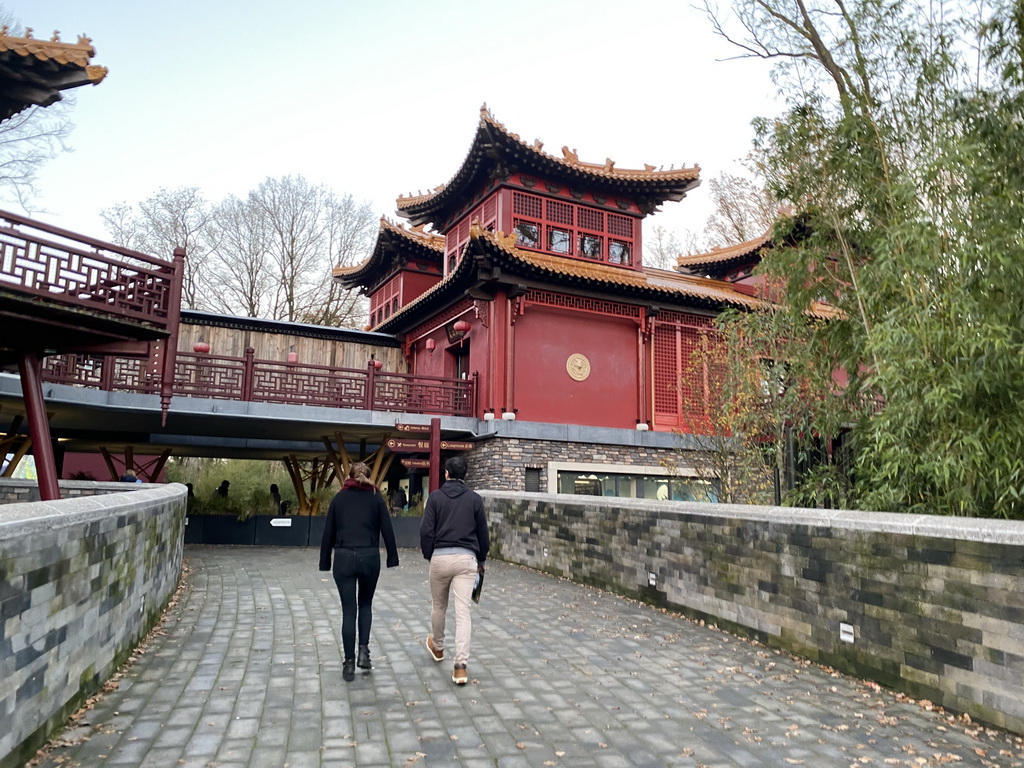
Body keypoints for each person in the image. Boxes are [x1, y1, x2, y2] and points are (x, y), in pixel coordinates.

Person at [319, 462, 399, 682]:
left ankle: (348, 664)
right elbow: (387, 529)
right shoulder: (375, 497)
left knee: (348, 611)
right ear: (369, 476)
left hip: (344, 558)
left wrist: (325, 561)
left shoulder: (339, 499)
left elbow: (328, 532)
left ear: (349, 476)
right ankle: (364, 651)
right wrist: (392, 557)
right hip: (369, 557)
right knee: (365, 604)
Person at [420, 455, 488, 685]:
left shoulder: (435, 498)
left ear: (446, 474)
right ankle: (460, 666)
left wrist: (430, 554)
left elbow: (426, 531)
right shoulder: (475, 500)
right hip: (466, 559)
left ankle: (438, 647)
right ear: (465, 475)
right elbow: (483, 534)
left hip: (440, 556)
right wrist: (482, 558)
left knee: (439, 606)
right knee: (463, 612)